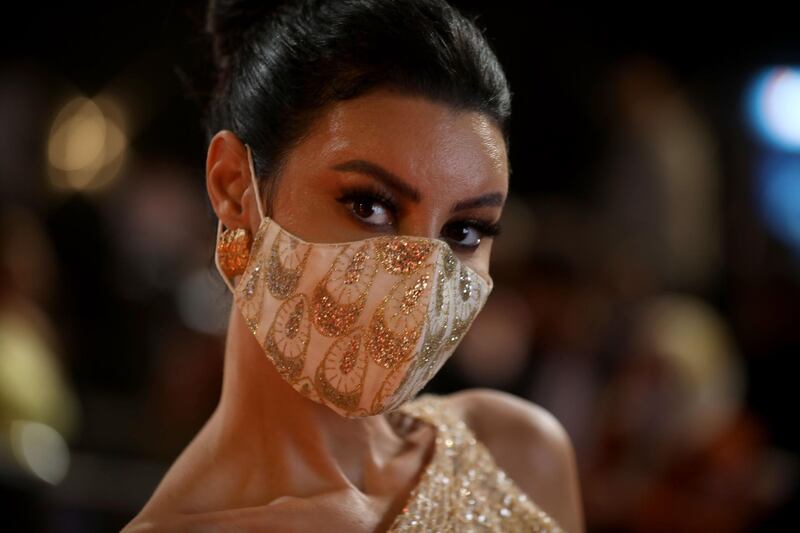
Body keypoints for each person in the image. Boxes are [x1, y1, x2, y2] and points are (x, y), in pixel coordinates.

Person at [123, 0, 583, 531]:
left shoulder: (522, 455)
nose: (423, 276)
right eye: (370, 206)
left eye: (463, 231)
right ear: (234, 188)